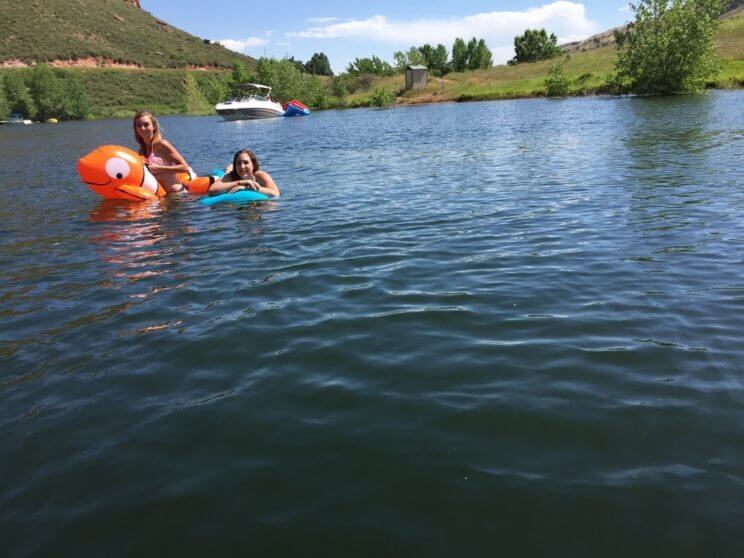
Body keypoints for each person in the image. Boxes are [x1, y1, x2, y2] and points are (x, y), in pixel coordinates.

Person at [133, 111, 191, 194]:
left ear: (154, 126)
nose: (142, 128)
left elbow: (185, 168)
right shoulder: (141, 150)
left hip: (177, 196)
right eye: (138, 125)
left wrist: (159, 168)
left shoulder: (162, 144)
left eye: (146, 124)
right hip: (161, 197)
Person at [209, 149, 280, 197]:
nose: (242, 166)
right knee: (226, 172)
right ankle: (229, 168)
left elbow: (276, 194)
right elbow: (211, 190)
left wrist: (245, 188)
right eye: (238, 163)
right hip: (231, 175)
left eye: (246, 163)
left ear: (253, 165)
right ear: (235, 166)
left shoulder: (260, 176)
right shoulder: (231, 176)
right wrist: (240, 183)